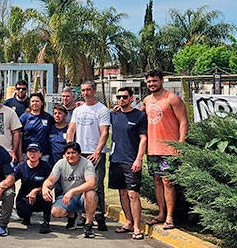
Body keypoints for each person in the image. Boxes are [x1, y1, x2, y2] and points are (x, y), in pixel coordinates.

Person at [143, 70, 187, 230]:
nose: (151, 84)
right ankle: (161, 213)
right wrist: (119, 109)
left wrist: (181, 144)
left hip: (170, 149)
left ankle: (169, 216)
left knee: (168, 182)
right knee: (157, 181)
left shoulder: (171, 98)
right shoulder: (147, 100)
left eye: (154, 81)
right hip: (152, 149)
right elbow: (137, 114)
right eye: (149, 82)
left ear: (162, 80)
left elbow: (183, 121)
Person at [66, 80, 110, 231]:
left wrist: (97, 151)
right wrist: (70, 149)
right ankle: (84, 215)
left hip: (95, 153)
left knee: (96, 186)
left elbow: (104, 132)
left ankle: (99, 216)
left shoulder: (102, 110)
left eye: (88, 90)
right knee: (80, 185)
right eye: (83, 90)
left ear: (94, 90)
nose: (85, 93)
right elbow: (71, 130)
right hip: (80, 153)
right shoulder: (78, 110)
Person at [109, 87, 148, 239]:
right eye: (119, 97)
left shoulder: (140, 116)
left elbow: (143, 138)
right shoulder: (114, 114)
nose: (121, 100)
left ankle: (137, 227)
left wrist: (139, 159)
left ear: (131, 98)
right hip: (116, 160)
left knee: (133, 194)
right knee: (122, 193)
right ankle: (128, 222)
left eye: (124, 97)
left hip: (131, 161)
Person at [41, 142, 98, 239]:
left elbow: (92, 183)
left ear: (79, 154)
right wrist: (45, 188)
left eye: (73, 153)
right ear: (64, 154)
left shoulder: (87, 163)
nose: (70, 155)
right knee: (55, 212)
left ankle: (88, 224)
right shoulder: (60, 163)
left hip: (82, 197)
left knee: (91, 193)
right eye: (68, 153)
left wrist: (72, 191)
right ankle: (73, 216)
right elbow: (50, 180)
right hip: (68, 198)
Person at [14, 143, 53, 234]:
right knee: (23, 211)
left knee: (47, 194)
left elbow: (51, 183)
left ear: (40, 154)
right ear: (27, 154)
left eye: (36, 152)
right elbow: (12, 179)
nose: (33, 154)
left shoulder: (45, 166)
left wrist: (36, 191)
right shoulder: (21, 166)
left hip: (39, 196)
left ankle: (46, 222)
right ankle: (26, 217)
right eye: (30, 151)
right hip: (25, 197)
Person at [19, 92, 53, 160]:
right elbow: (19, 136)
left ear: (42, 102)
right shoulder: (24, 117)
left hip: (43, 154)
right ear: (30, 103)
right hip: (27, 153)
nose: (35, 103)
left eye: (37, 101)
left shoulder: (48, 117)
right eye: (33, 101)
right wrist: (19, 154)